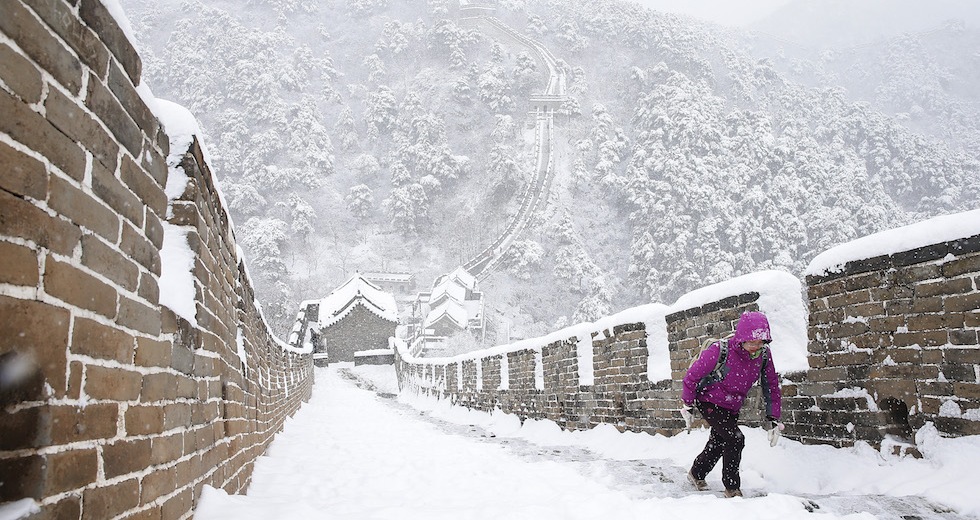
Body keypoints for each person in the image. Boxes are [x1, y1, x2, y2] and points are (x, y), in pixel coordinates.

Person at [680, 311, 782, 498]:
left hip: (732, 405)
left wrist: (774, 417)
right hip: (709, 400)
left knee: (719, 442)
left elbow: (771, 385)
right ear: (741, 338)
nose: (756, 347)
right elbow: (692, 376)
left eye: (761, 342)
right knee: (735, 439)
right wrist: (687, 404)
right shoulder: (720, 350)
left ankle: (696, 473)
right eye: (752, 342)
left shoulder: (764, 355)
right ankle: (732, 489)